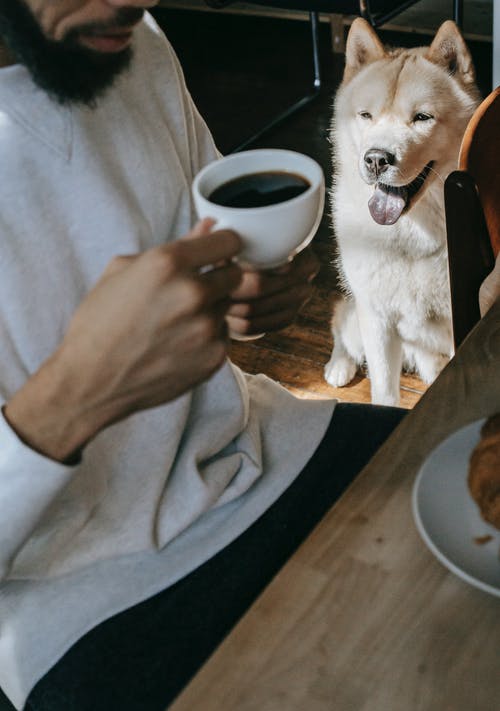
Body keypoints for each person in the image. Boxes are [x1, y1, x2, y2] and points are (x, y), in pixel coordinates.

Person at [0, 1, 425, 709]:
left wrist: (251, 303)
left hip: (263, 452)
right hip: (79, 600)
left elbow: (216, 243)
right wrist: (72, 400)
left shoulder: (128, 40)